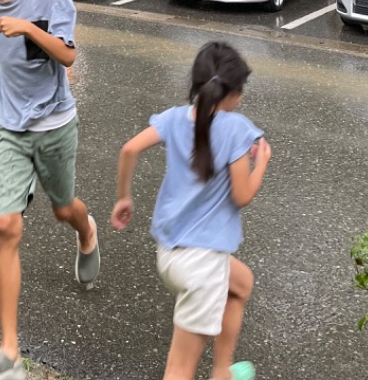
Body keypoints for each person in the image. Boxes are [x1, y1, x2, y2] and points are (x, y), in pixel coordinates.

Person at [0, 0, 100, 380]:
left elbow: (67, 55)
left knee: (63, 209)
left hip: (55, 123)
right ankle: (10, 353)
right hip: (9, 125)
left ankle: (86, 232)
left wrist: (25, 27)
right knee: (6, 227)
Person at [110, 41, 271, 380]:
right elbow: (242, 196)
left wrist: (124, 198)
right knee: (179, 370)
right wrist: (261, 165)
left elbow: (129, 149)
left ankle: (221, 371)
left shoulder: (173, 118)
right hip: (202, 267)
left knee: (241, 283)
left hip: (171, 256)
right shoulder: (236, 128)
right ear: (233, 93)